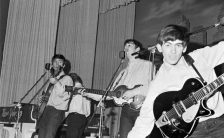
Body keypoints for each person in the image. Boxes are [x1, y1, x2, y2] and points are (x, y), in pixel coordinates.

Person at [128, 24, 224, 138]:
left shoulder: (200, 57)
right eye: (168, 45)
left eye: (178, 45)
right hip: (193, 132)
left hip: (220, 123)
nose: (173, 51)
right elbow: (145, 119)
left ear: (184, 48)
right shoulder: (159, 82)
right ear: (159, 47)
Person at [83, 39, 154, 138]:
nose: (126, 48)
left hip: (143, 109)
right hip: (126, 110)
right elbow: (109, 94)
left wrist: (133, 92)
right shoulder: (123, 72)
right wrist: (88, 93)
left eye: (129, 45)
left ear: (137, 49)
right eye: (125, 46)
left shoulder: (148, 65)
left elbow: (153, 87)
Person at [38, 54, 73, 138]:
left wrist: (57, 82)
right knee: (41, 135)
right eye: (55, 62)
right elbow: (49, 95)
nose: (57, 64)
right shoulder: (52, 78)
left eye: (60, 62)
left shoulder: (68, 79)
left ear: (63, 65)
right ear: (52, 64)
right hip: (46, 110)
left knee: (49, 135)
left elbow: (63, 95)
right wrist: (42, 99)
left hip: (56, 112)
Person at [65, 73, 91, 138]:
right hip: (83, 119)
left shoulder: (72, 90)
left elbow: (67, 106)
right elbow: (88, 110)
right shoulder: (86, 91)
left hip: (74, 118)